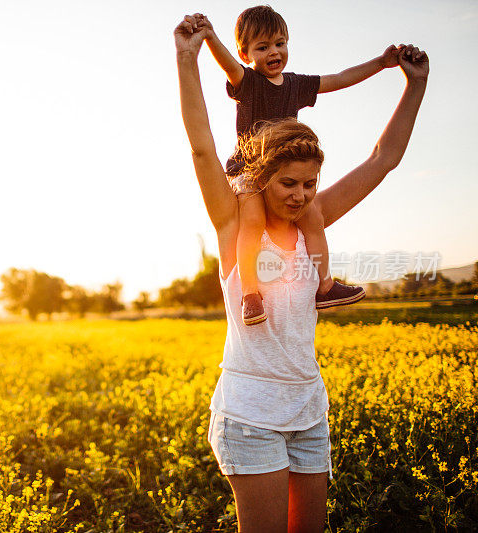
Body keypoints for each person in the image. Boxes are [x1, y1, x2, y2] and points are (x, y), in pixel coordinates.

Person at [174, 12, 428, 533]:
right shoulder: (233, 224)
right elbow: (202, 146)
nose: (301, 196)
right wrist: (187, 57)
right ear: (264, 179)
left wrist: (414, 85)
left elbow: (384, 158)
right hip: (251, 417)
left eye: (310, 185)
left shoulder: (312, 217)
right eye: (289, 184)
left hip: (309, 411)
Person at [200, 6, 403, 325]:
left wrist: (381, 63)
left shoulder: (296, 85)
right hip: (249, 172)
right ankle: (250, 294)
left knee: (313, 220)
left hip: (284, 172)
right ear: (245, 52)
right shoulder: (247, 81)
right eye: (262, 47)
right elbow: (228, 64)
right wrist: (210, 36)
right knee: (252, 221)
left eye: (280, 43)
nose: (274, 52)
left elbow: (339, 79)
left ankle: (325, 286)